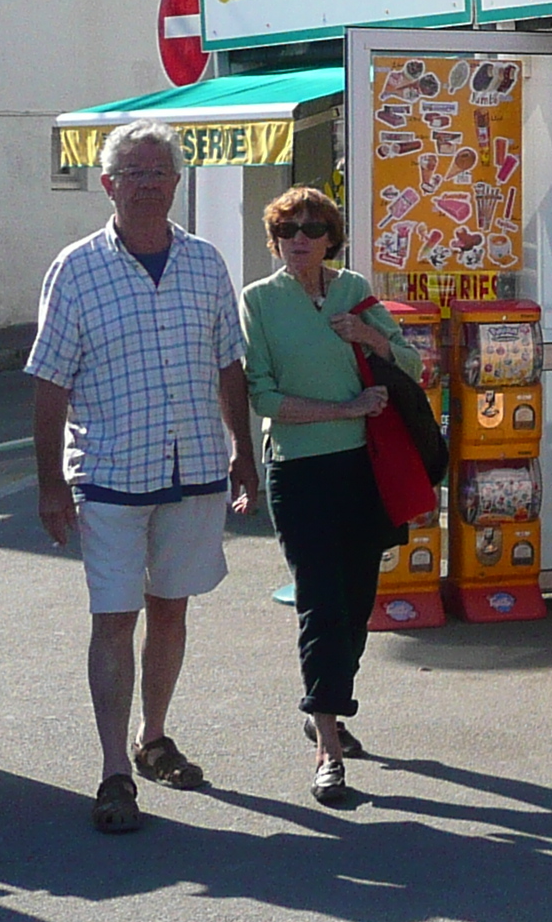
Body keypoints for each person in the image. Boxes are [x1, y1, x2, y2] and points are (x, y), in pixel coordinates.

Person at [27, 121, 260, 835]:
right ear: (107, 184)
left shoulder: (204, 263)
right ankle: (113, 772)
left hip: (192, 468)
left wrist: (243, 453)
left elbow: (229, 364)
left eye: (160, 171)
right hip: (109, 473)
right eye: (133, 171)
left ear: (177, 182)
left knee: (171, 608)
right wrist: (49, 486)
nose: (149, 182)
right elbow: (48, 383)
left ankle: (153, 738)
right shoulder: (76, 268)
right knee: (114, 617)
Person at [240, 185, 422, 807]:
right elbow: (262, 396)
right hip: (298, 471)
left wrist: (368, 338)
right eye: (288, 228)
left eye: (313, 229)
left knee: (355, 601)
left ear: (330, 239)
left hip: (364, 467)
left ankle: (331, 704)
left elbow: (411, 364)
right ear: (275, 238)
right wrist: (341, 408)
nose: (300, 238)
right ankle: (326, 745)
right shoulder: (259, 301)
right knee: (319, 601)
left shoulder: (355, 290)